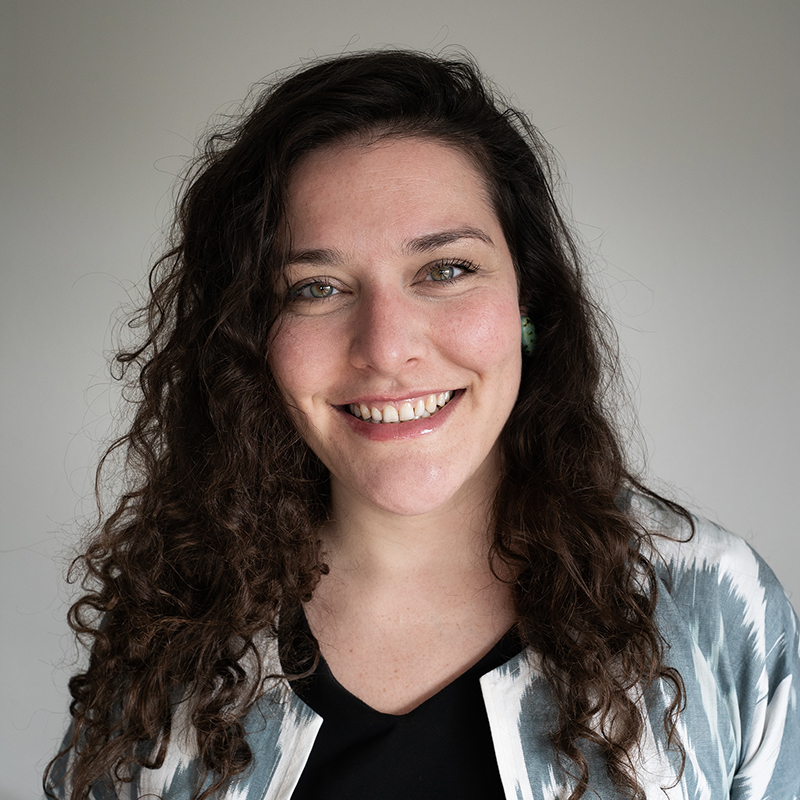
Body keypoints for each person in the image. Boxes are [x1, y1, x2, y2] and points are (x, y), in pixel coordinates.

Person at [45, 49, 799, 800]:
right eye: (316, 287)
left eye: (445, 270)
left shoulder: (716, 607)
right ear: (250, 336)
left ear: (527, 300)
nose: (386, 348)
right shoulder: (171, 629)